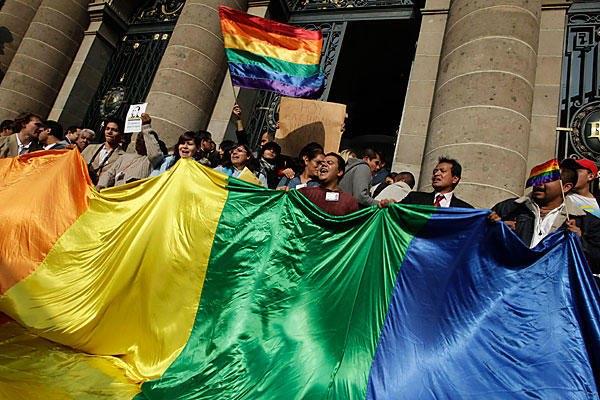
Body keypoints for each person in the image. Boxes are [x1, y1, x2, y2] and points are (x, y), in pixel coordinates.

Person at [490, 164, 600, 274]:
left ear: (566, 187)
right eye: (538, 177)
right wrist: (496, 230)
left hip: (551, 287)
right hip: (508, 281)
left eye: (548, 179)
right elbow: (477, 240)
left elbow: (596, 263)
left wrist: (580, 242)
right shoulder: (509, 209)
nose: (539, 183)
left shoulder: (585, 221)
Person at [96, 113, 163, 189]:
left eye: (143, 139)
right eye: (138, 139)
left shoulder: (150, 161)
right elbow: (109, 173)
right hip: (115, 194)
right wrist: (101, 185)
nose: (139, 141)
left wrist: (146, 127)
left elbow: (155, 155)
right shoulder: (124, 157)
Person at [401, 157, 473, 208]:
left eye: (442, 171)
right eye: (435, 171)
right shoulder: (414, 199)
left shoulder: (465, 210)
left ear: (455, 179)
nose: (436, 174)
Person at [82, 117, 126, 184]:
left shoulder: (123, 157)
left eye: (114, 130)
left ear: (121, 134)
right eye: (107, 129)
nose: (109, 132)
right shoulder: (90, 148)